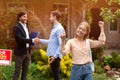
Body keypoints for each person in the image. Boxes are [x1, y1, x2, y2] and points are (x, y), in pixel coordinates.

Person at [13, 11, 39, 80]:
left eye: (26, 17)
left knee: (25, 71)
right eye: (24, 16)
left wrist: (32, 41)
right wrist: (32, 40)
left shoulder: (26, 27)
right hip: (20, 52)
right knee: (17, 71)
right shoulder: (16, 27)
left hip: (27, 51)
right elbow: (20, 39)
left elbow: (27, 38)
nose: (26, 18)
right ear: (19, 18)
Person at [39, 10, 65, 80]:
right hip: (53, 55)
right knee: (55, 75)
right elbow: (51, 42)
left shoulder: (59, 28)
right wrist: (39, 40)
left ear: (54, 17)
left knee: (56, 76)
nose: (49, 18)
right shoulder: (54, 28)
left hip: (55, 56)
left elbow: (60, 44)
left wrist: (55, 56)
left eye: (50, 16)